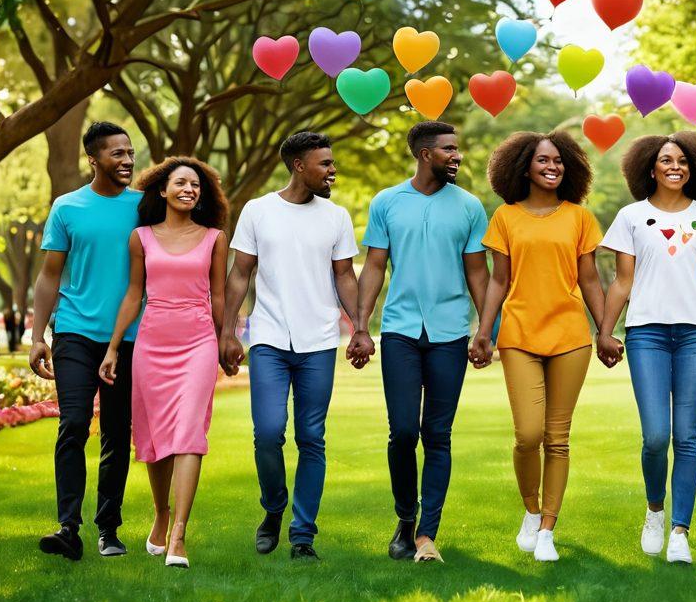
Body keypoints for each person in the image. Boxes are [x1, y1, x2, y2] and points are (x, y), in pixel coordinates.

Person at [350, 121, 490, 563]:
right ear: (425, 153)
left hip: (450, 333)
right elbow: (373, 266)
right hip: (400, 331)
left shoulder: (469, 206)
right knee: (404, 431)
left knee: (438, 434)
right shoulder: (387, 202)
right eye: (449, 149)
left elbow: (478, 273)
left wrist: (486, 330)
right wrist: (359, 325)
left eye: (457, 148)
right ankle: (405, 520)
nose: (457, 155)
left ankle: (427, 534)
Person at [219, 131, 361, 562]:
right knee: (267, 433)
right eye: (326, 163)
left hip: (319, 341)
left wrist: (359, 328)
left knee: (312, 437)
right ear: (299, 165)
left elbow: (344, 276)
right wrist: (227, 331)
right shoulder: (258, 210)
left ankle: (303, 534)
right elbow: (240, 273)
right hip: (269, 339)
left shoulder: (336, 217)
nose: (333, 170)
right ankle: (274, 508)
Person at [596, 132, 696, 564]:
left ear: (695, 168)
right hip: (647, 333)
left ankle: (680, 530)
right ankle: (655, 510)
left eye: (683, 161)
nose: (675, 167)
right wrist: (604, 330)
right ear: (649, 168)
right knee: (656, 436)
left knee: (687, 437)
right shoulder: (631, 217)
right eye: (666, 160)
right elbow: (622, 281)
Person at [469, 131, 605, 562]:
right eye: (543, 160)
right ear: (523, 166)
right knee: (528, 435)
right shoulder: (506, 217)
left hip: (569, 336)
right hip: (519, 336)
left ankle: (548, 527)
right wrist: (483, 332)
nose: (553, 167)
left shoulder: (579, 217)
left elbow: (589, 280)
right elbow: (498, 280)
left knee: (557, 439)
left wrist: (605, 329)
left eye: (559, 161)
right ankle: (530, 510)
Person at [98, 157, 228, 569]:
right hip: (153, 341)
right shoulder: (141, 238)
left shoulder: (214, 238)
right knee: (154, 440)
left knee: (189, 432)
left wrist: (225, 340)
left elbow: (219, 295)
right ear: (162, 190)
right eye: (182, 183)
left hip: (198, 341)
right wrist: (114, 347)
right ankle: (160, 514)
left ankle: (179, 535)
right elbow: (134, 295)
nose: (190, 189)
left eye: (196, 185)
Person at [29, 121, 140, 560]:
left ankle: (108, 529)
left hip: (128, 336)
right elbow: (50, 274)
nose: (127, 160)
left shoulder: (144, 206)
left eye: (130, 152)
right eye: (117, 154)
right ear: (93, 159)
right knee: (74, 422)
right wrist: (37, 336)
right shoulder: (67, 206)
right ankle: (67, 528)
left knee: (116, 431)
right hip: (74, 330)